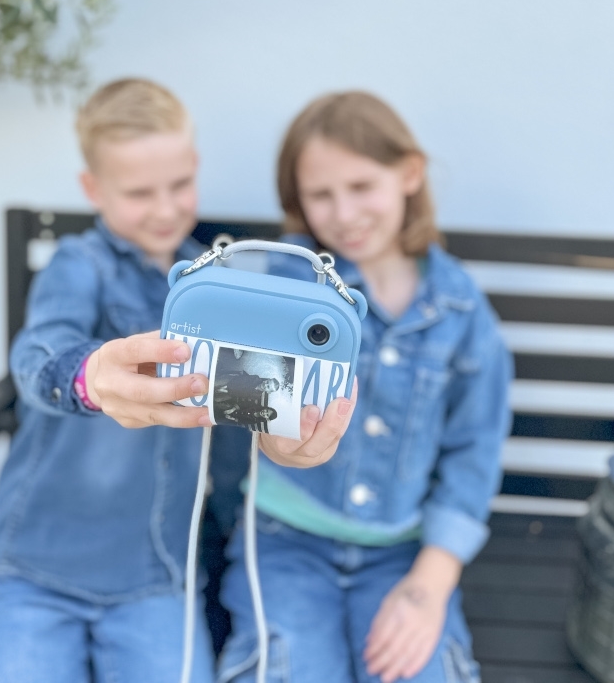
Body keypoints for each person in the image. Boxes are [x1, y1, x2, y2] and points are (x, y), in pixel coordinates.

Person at [0, 78, 356, 683]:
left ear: (195, 164)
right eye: (140, 192)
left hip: (159, 574)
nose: (166, 208)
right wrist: (87, 375)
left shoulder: (220, 283)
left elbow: (245, 409)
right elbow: (39, 353)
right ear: (93, 189)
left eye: (179, 184)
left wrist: (280, 438)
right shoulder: (79, 265)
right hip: (38, 568)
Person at [218, 91, 512, 683]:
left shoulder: (460, 309)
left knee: (420, 669)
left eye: (361, 186)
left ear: (409, 174)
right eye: (321, 195)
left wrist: (429, 587)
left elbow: (473, 453)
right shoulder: (285, 280)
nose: (344, 213)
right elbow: (248, 406)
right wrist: (277, 437)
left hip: (403, 555)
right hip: (284, 542)